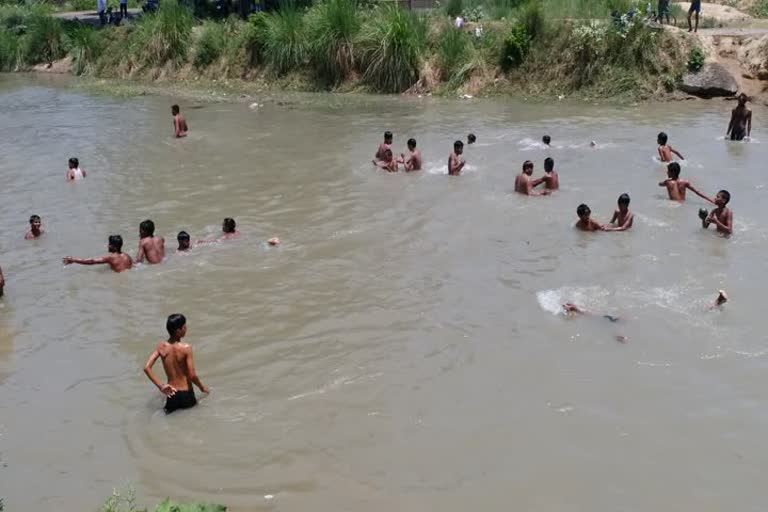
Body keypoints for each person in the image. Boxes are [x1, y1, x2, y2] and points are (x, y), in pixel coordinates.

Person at [143, 314, 209, 414]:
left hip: (171, 393)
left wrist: (161, 386)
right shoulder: (186, 348)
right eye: (184, 327)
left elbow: (146, 368)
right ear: (178, 331)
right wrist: (202, 387)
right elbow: (192, 375)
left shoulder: (161, 347)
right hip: (186, 393)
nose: (186, 329)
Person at [63, 235, 133, 272]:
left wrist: (73, 260)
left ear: (114, 247)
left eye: (109, 244)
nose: (108, 246)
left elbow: (92, 261)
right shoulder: (127, 256)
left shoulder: (111, 257)